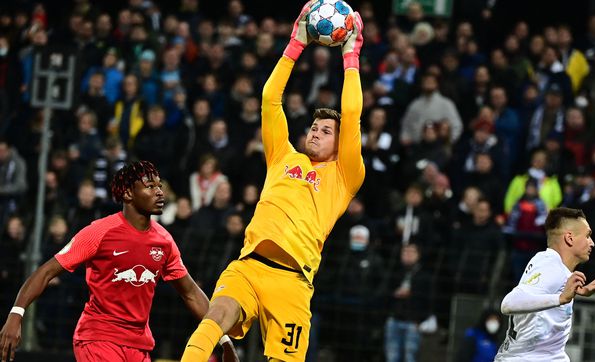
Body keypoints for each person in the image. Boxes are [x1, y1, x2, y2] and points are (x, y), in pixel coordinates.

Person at [181, 1, 365, 360]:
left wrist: (351, 55)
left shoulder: (344, 176)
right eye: (314, 126)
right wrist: (295, 44)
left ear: (340, 144)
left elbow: (354, 113)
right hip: (247, 267)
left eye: (326, 130)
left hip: (293, 283)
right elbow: (270, 100)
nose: (315, 131)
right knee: (214, 317)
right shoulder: (283, 156)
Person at [0, 161, 238, 362]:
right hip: (98, 339)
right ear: (127, 194)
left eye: (159, 185)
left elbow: (191, 294)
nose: (159, 192)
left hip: (138, 345)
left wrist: (223, 338)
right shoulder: (99, 232)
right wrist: (15, 315)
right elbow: (46, 272)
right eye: (149, 186)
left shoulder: (164, 241)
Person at [494, 207, 595, 361]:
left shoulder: (556, 267)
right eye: (588, 236)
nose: (592, 243)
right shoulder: (550, 264)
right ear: (569, 238)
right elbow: (508, 304)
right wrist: (560, 298)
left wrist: (578, 291)